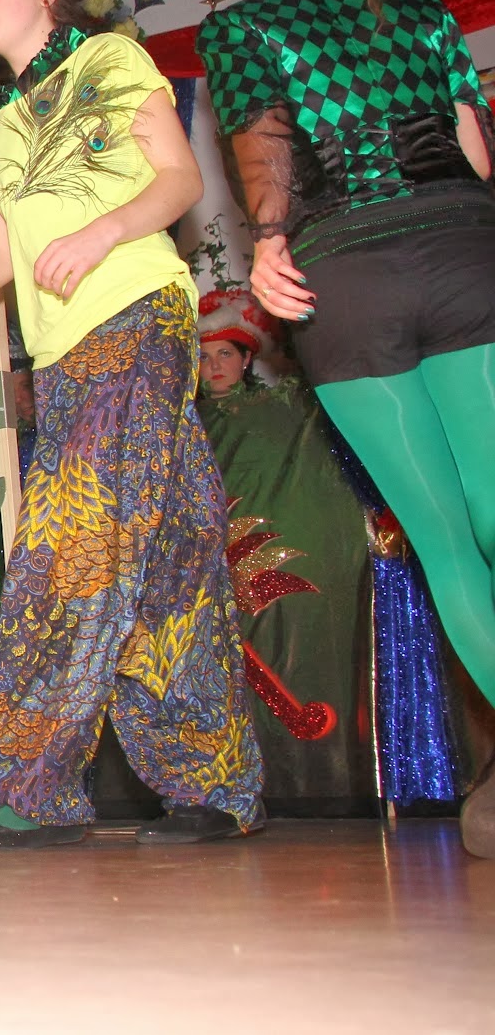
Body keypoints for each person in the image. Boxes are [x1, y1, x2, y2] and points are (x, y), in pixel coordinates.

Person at [0, 0, 264, 849]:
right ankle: (213, 783)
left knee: (71, 540)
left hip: (137, 311)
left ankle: (37, 783)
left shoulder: (109, 60)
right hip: (61, 357)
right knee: (174, 550)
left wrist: (100, 235)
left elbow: (179, 180)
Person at [199, 0, 495, 857]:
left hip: (349, 282)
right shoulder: (416, 8)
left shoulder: (244, 27)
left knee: (445, 541)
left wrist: (267, 245)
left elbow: (264, 155)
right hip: (462, 253)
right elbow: (473, 149)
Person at [196, 289, 370, 810]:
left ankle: (306, 787)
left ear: (247, 358)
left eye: (225, 354)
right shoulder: (185, 428)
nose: (214, 366)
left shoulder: (281, 409)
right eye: (203, 357)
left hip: (271, 578)